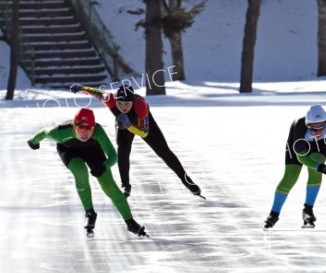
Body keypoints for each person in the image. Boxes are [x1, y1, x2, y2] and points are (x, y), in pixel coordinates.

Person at [27, 108, 148, 237]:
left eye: (89, 128)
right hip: (69, 150)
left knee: (109, 185)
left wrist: (104, 166)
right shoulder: (60, 133)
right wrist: (33, 141)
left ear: (93, 127)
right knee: (80, 172)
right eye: (81, 128)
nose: (85, 133)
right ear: (74, 126)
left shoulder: (98, 131)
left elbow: (113, 156)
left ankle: (130, 222)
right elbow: (43, 132)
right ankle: (89, 213)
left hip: (93, 150)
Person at [70, 84, 203, 199]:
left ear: (132, 102)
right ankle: (125, 185)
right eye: (120, 103)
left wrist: (129, 125)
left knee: (163, 151)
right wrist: (81, 88)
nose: (123, 107)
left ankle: (186, 180)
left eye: (127, 104)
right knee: (122, 151)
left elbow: (144, 132)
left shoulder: (140, 106)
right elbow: (96, 92)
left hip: (141, 122)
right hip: (124, 123)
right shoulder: (110, 99)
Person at [264, 73, 326, 229]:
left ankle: (308, 210)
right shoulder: (300, 130)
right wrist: (321, 167)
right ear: (308, 125)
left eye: (321, 128)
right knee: (290, 176)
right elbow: (302, 159)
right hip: (298, 145)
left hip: (321, 146)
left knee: (316, 165)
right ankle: (273, 214)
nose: (317, 132)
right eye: (313, 129)